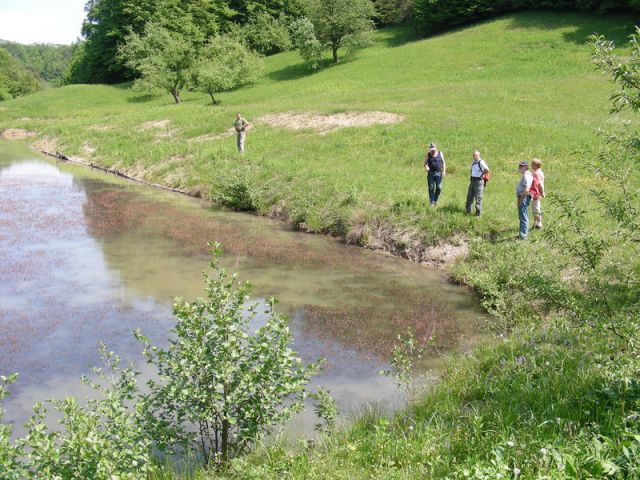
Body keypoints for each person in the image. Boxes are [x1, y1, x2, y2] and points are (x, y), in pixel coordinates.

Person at [465, 150, 490, 216]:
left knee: (478, 198)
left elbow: (487, 169)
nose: (474, 156)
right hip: (472, 181)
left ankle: (478, 214)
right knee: (469, 197)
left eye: (476, 155)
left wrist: (482, 175)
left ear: (479, 155)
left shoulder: (481, 162)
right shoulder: (474, 162)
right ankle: (468, 211)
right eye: (473, 155)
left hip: (479, 182)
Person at [516, 161, 534, 240]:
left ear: (526, 167)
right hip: (522, 196)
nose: (520, 168)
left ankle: (523, 236)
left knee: (523, 217)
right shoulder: (527, 175)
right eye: (519, 166)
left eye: (521, 166)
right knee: (522, 216)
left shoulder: (527, 175)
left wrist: (521, 199)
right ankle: (522, 233)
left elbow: (527, 189)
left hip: (524, 197)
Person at [530, 158, 545, 229]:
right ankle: (535, 223)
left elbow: (540, 184)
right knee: (535, 208)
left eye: (532, 164)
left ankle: (539, 224)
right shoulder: (539, 172)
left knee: (536, 209)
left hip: (536, 193)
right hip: (536, 193)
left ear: (535, 165)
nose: (531, 165)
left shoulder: (537, 174)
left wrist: (542, 193)